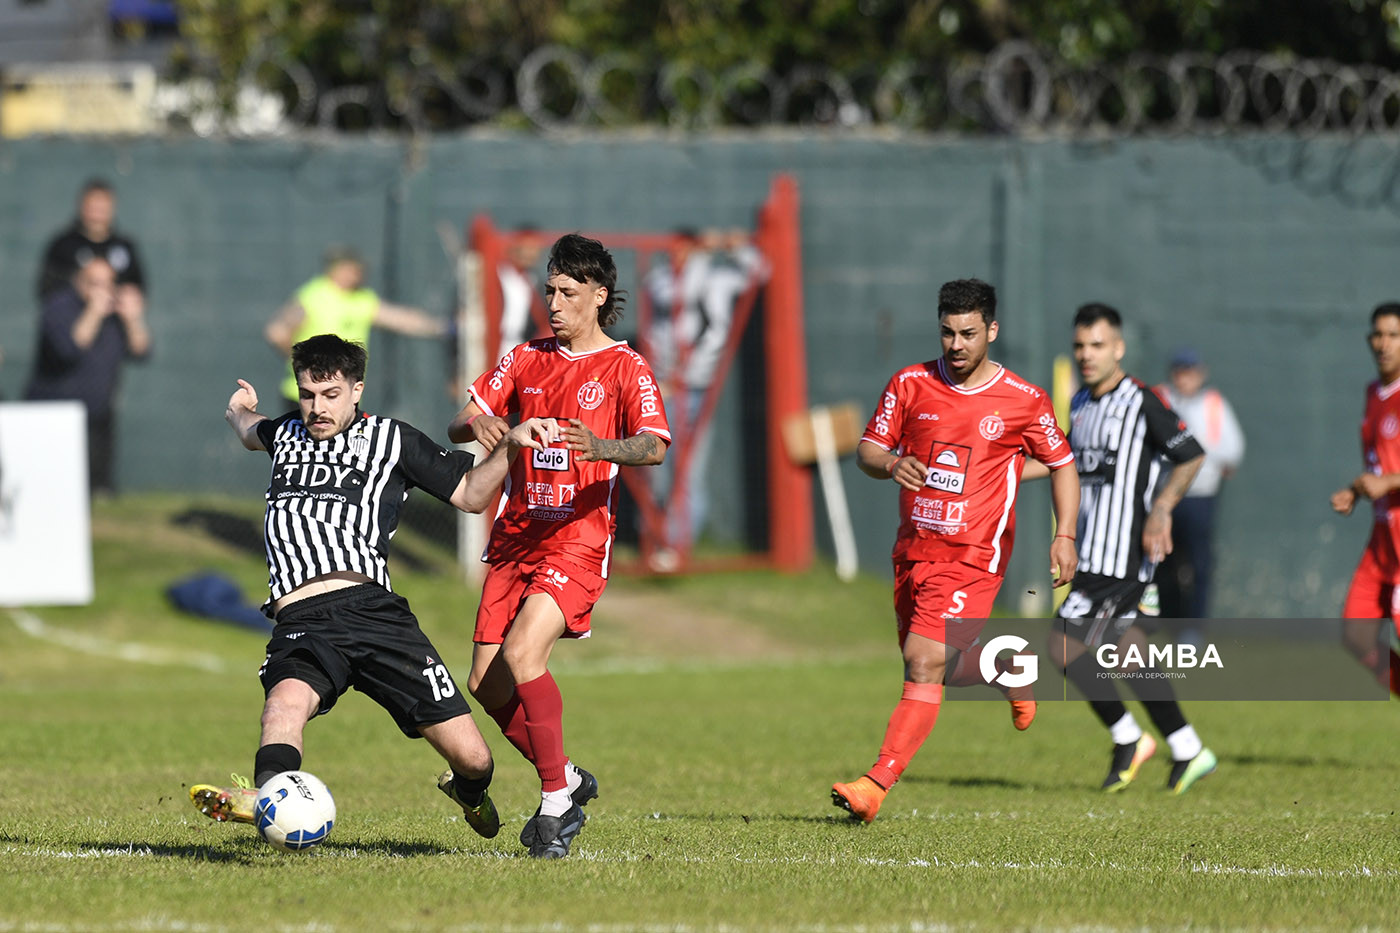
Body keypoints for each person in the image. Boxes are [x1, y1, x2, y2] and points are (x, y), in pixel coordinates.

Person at [189, 334, 560, 840]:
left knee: (475, 759)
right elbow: (250, 429)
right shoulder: (287, 433)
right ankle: (268, 798)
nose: (317, 408)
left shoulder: (392, 440)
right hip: (302, 621)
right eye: (307, 394)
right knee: (283, 706)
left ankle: (468, 791)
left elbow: (472, 494)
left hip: (375, 615)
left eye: (330, 395)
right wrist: (237, 411)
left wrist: (512, 447)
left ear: (357, 389)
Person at [447, 233, 671, 858]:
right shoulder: (523, 358)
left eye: (568, 293)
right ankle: (568, 776)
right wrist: (483, 424)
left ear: (599, 297)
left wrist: (600, 447)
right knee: (486, 685)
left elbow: (653, 443)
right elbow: (461, 420)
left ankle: (552, 805)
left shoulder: (626, 367)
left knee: (524, 654)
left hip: (577, 539)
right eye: (549, 290)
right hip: (515, 538)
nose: (554, 302)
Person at [830, 277, 1080, 824]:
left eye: (968, 333)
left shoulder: (1023, 400)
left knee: (923, 663)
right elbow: (869, 450)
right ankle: (1008, 667)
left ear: (992, 330)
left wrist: (1065, 535)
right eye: (947, 333)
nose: (957, 344)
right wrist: (893, 463)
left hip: (973, 555)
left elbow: (1063, 463)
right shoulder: (910, 383)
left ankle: (876, 783)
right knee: (930, 662)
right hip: (914, 550)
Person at [1036, 303, 1215, 795]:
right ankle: (1187, 747)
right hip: (1092, 552)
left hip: (1121, 559)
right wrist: (998, 470)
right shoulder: (1079, 403)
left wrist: (1161, 509)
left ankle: (1127, 737)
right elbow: (1064, 461)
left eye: (1097, 345)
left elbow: (1190, 454)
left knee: (1063, 645)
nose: (1086, 355)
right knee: (1129, 653)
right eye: (1079, 346)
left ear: (1118, 348)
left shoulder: (1141, 400)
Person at [643, 228, 767, 559]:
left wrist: (733, 245)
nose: (678, 255)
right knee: (656, 468)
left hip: (694, 386)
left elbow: (761, 270)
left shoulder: (716, 278)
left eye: (686, 248)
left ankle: (675, 543)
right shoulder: (658, 279)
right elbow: (654, 331)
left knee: (687, 467)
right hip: (660, 385)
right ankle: (657, 538)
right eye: (675, 248)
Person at [24, 257, 150, 493]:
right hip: (52, 416)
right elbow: (68, 349)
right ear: (79, 282)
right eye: (95, 283)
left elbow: (141, 351)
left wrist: (133, 319)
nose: (103, 290)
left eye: (109, 283)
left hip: (97, 419)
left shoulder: (115, 315)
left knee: (96, 491)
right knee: (48, 488)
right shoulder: (58, 306)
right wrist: (93, 312)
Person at [265, 246, 448, 408]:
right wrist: (306, 364)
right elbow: (277, 332)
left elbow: (401, 319)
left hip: (342, 396)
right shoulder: (313, 296)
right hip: (306, 396)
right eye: (353, 270)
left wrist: (442, 327)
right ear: (338, 269)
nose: (359, 274)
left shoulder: (361, 299)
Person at [1330, 302, 1400, 697]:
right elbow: (1379, 466)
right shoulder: (1374, 393)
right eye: (1377, 334)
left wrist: (1388, 482)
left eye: (1393, 335)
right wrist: (1355, 491)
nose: (1383, 343)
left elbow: (1387, 475)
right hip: (1381, 539)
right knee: (1357, 635)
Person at [1155, 348, 1245, 626]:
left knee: (1198, 564)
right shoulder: (1160, 399)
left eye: (1191, 371)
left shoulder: (1214, 404)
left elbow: (1232, 450)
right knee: (1162, 563)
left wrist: (1196, 454)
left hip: (1200, 498)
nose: (1185, 378)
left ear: (1201, 374)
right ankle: (1167, 621)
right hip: (1164, 499)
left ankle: (1193, 627)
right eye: (1180, 371)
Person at [35, 177, 146, 301]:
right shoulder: (63, 246)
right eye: (93, 208)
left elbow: (139, 290)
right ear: (82, 207)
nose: (97, 216)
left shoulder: (125, 247)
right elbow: (47, 290)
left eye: (102, 209)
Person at [496, 228, 546, 364]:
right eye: (528, 247)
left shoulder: (533, 280)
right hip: (495, 343)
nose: (532, 253)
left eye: (536, 248)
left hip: (519, 346)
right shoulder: (500, 275)